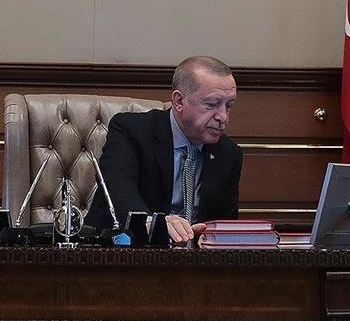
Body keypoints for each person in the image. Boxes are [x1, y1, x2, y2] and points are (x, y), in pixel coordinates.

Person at [84, 56, 242, 244]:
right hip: (118, 251)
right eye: (211, 104)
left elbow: (224, 225)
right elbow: (119, 190)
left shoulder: (229, 153)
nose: (223, 117)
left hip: (193, 258)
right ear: (179, 101)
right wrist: (152, 224)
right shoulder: (131, 130)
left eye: (229, 106)